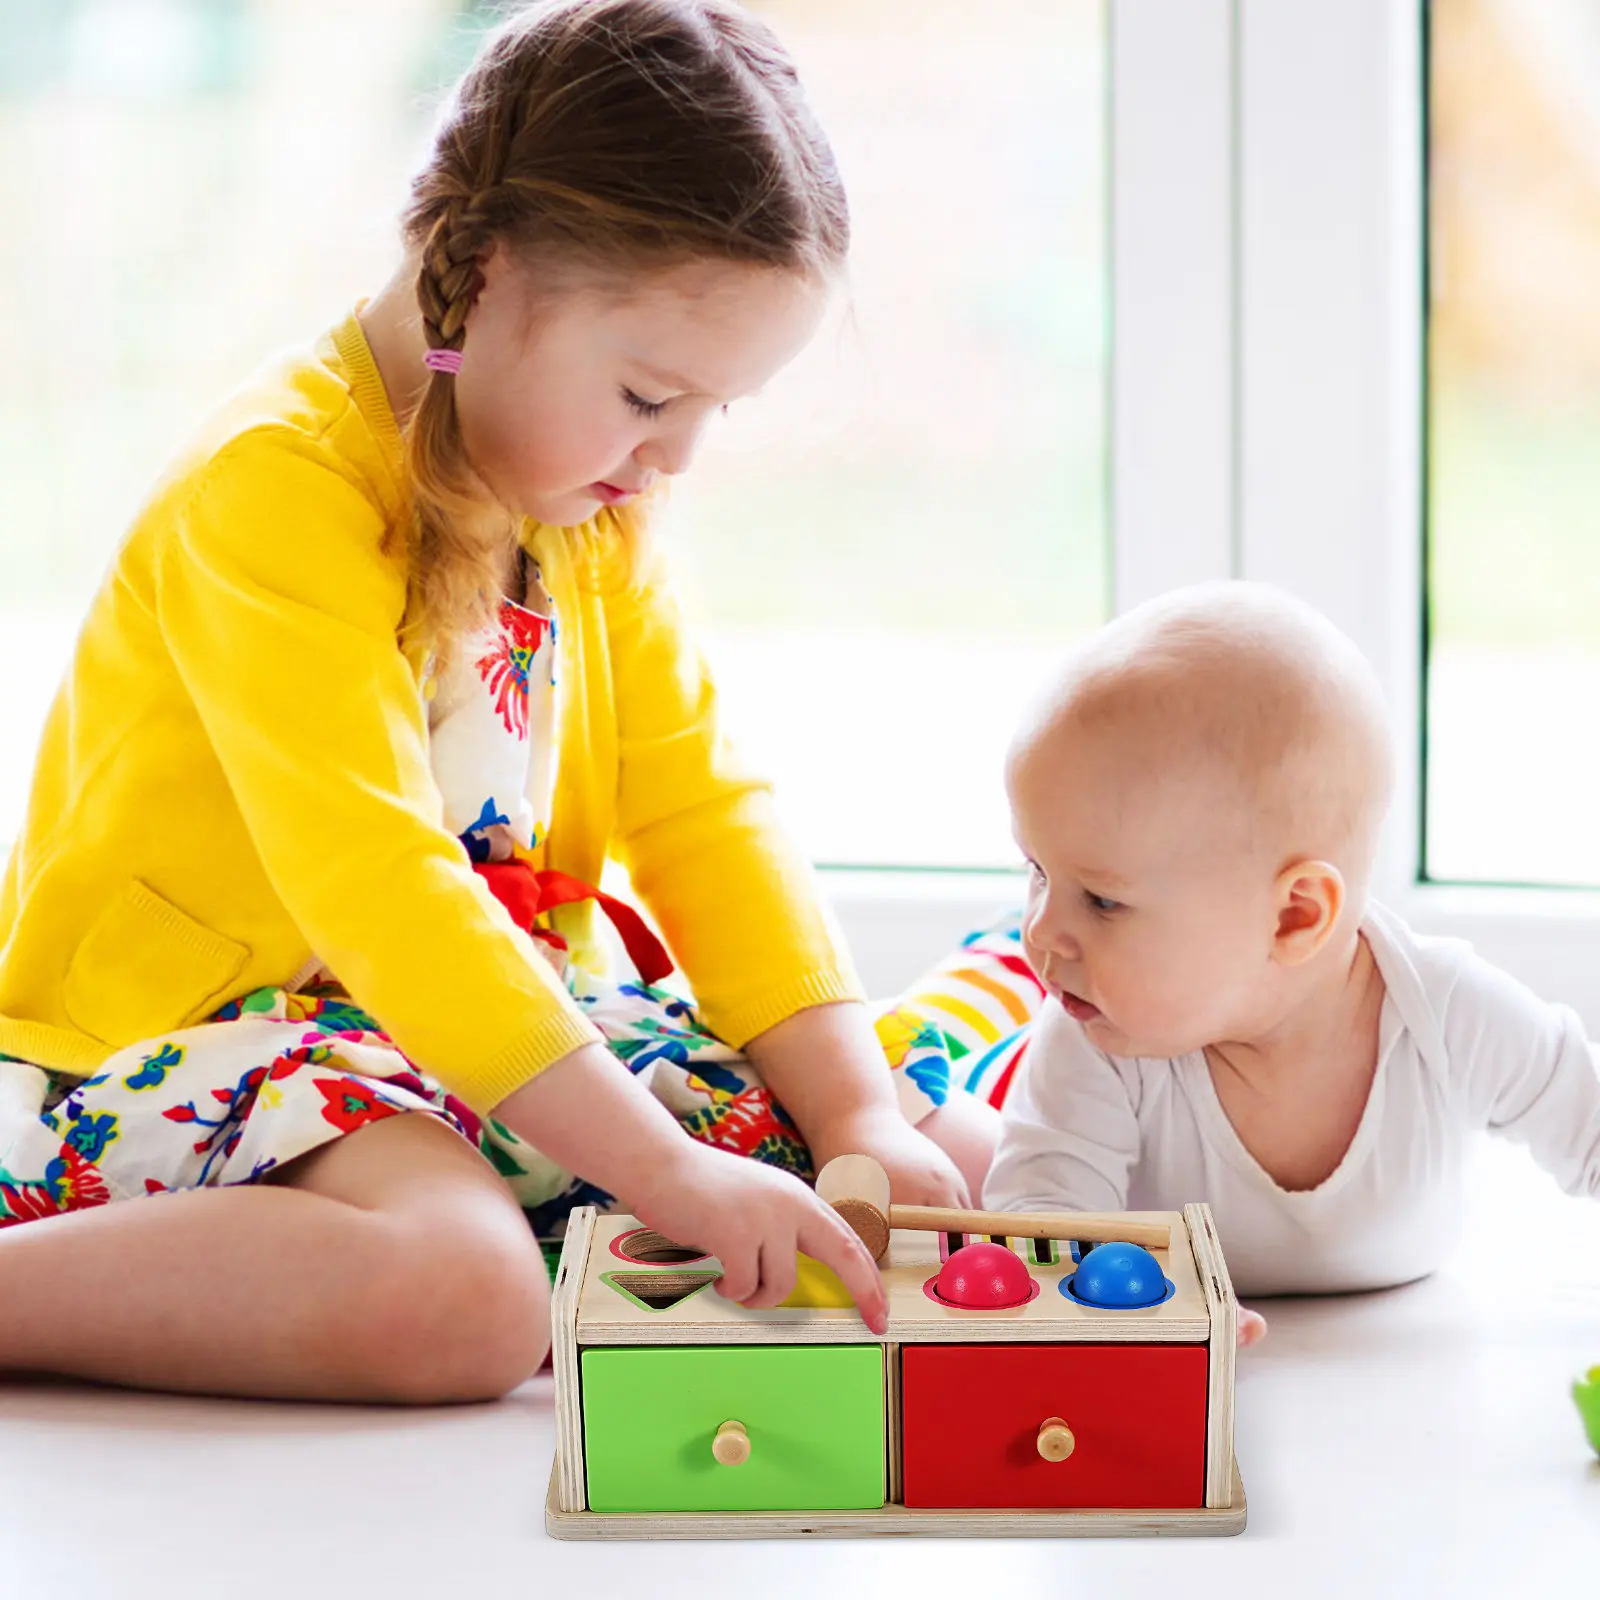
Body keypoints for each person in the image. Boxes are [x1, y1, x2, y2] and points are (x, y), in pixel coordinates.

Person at [0, 0, 997, 1405]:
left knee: (930, 1151)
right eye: (653, 394)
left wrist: (858, 1115)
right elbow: (385, 890)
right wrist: (661, 1169)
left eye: (722, 409)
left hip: (486, 1023)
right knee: (468, 1302)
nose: (681, 458)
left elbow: (704, 807)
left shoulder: (585, 498)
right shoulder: (275, 493)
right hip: (227, 1031)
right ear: (476, 274)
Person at [982, 582, 1600, 1343]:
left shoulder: (1447, 1017)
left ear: (1296, 916)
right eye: (1036, 871)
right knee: (956, 1142)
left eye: (1102, 902)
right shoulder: (1096, 1036)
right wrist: (1142, 1313)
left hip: (1390, 1377)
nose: (1041, 930)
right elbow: (1038, 1217)